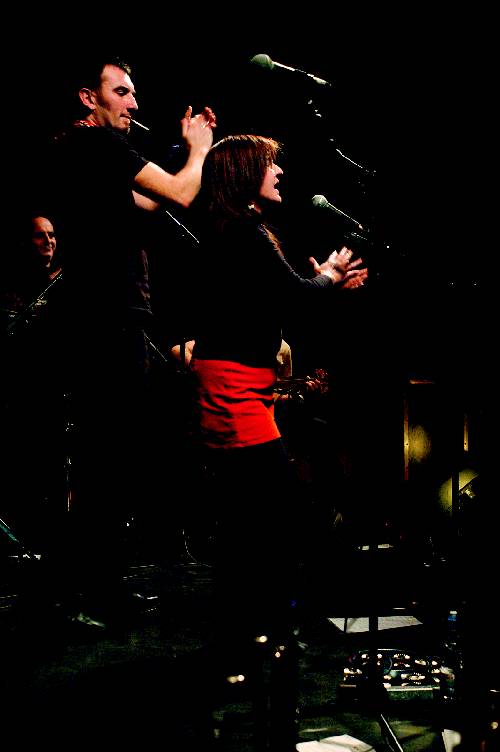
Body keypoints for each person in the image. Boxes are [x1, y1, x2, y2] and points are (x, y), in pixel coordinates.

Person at [182, 134, 366, 744]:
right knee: (275, 516)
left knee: (258, 521)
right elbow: (292, 296)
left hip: (239, 389)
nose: (280, 171)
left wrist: (325, 286)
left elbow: (284, 302)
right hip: (234, 394)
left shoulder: (242, 233)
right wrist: (329, 277)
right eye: (270, 164)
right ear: (244, 174)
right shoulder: (244, 233)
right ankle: (253, 647)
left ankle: (248, 645)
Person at [28, 55, 216, 629]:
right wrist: (199, 150)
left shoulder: (76, 151)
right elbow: (180, 194)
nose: (134, 104)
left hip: (93, 316)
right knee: (112, 457)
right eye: (122, 92)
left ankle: (81, 588)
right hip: (108, 316)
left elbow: (148, 201)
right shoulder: (99, 145)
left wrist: (182, 158)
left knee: (103, 456)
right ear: (89, 97)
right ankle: (97, 592)